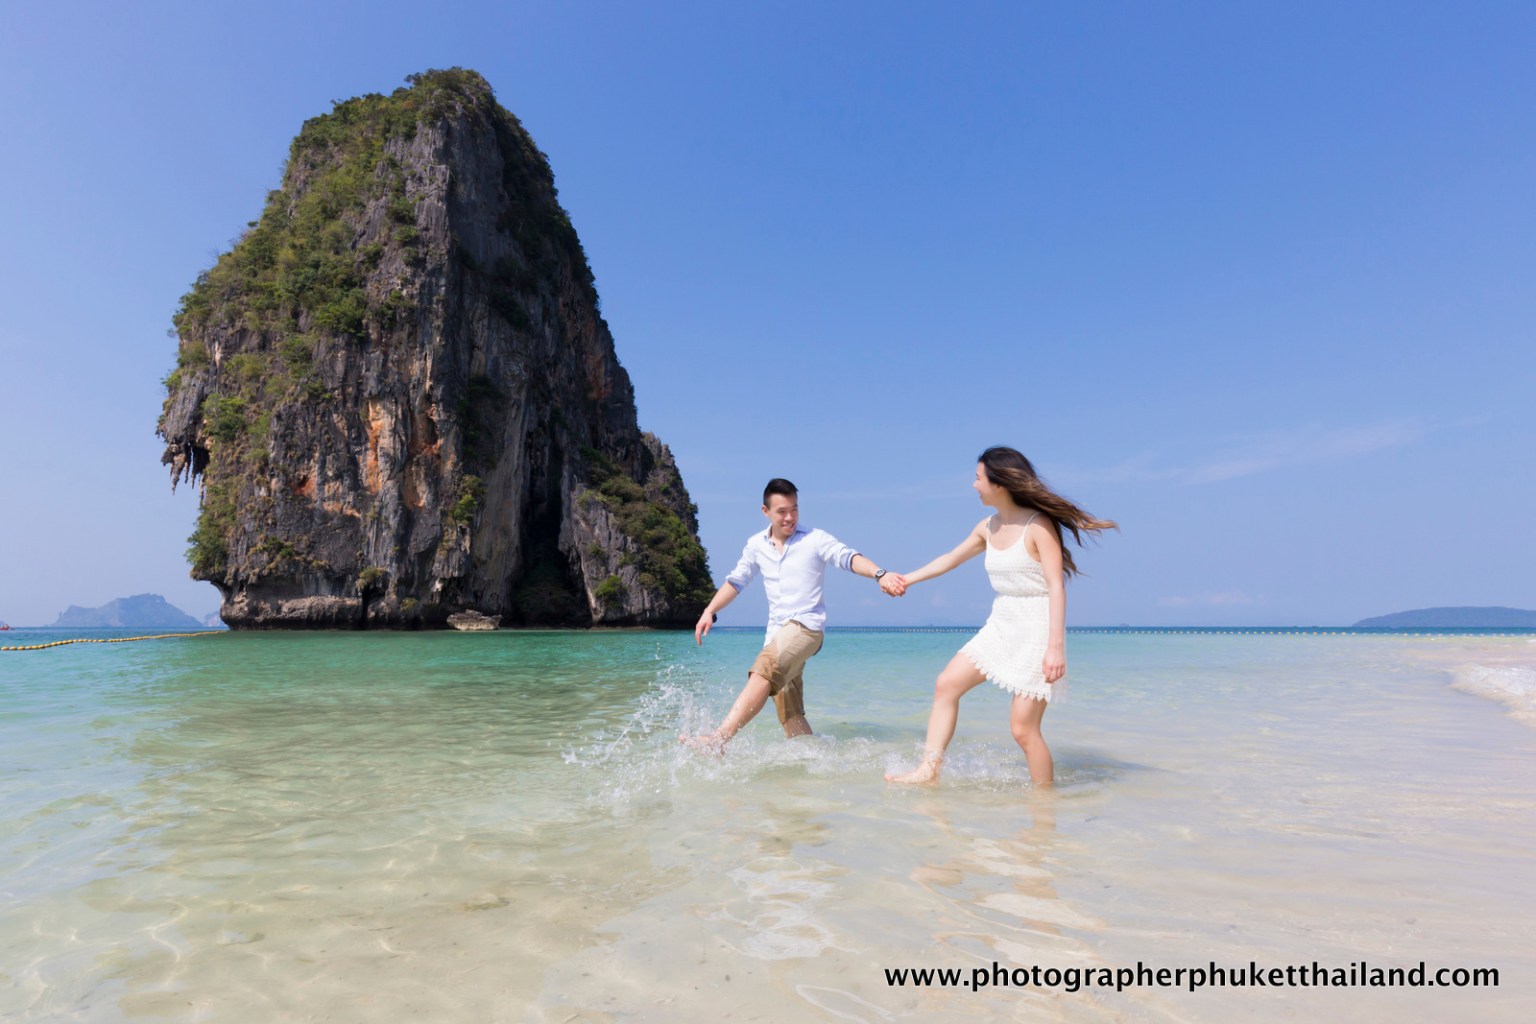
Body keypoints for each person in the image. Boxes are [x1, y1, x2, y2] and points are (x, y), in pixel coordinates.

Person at [885, 447, 1116, 787]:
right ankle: (928, 771)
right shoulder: (987, 526)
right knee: (946, 684)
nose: (973, 485)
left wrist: (1055, 649)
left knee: (1023, 730)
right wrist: (906, 578)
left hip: (1037, 628)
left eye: (978, 479)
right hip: (1002, 622)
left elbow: (1056, 586)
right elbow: (950, 558)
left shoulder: (1039, 526)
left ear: (1000, 484)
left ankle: (1044, 806)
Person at [684, 477, 905, 752]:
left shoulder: (815, 539)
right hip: (776, 635)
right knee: (790, 713)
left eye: (795, 509)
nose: (790, 517)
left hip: (807, 627)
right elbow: (736, 581)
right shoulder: (756, 545)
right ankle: (816, 764)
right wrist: (709, 611)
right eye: (782, 511)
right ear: (765, 512)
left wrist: (879, 574)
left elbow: (848, 557)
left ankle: (718, 739)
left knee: (763, 670)